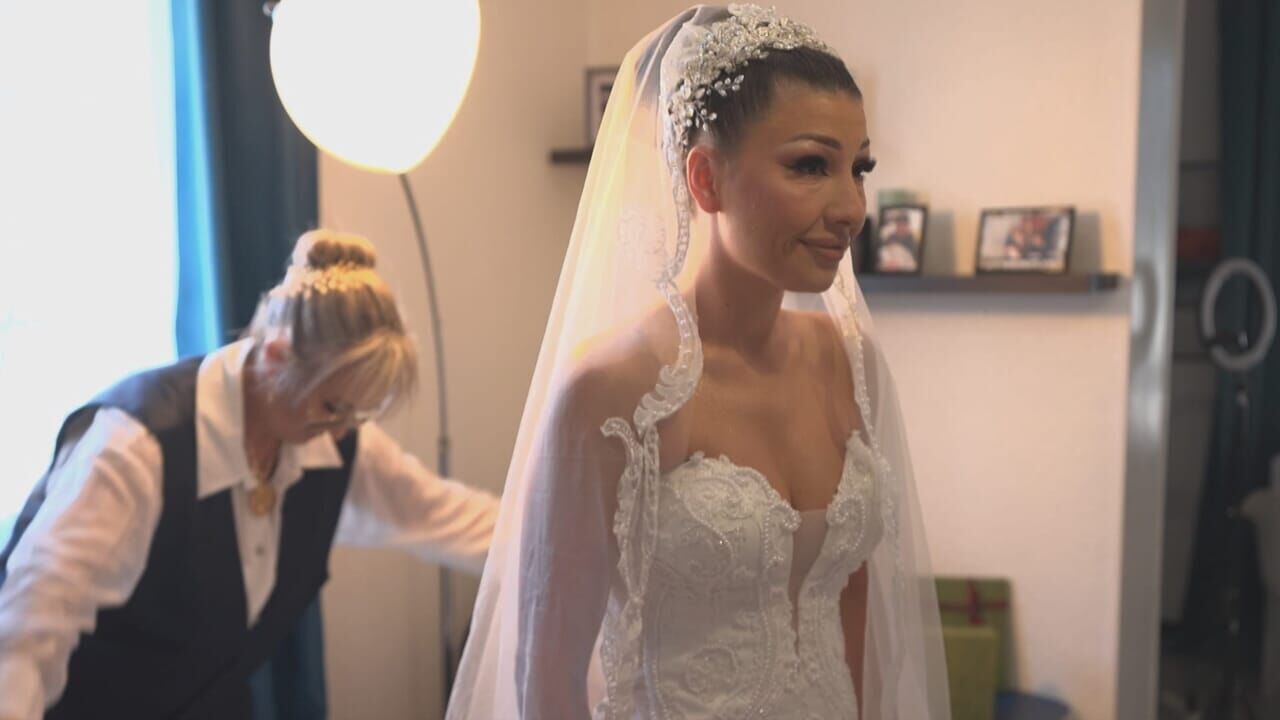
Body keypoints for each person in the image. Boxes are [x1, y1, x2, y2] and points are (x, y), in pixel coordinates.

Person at [447, 5, 950, 719]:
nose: (850, 207)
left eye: (858, 168)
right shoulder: (612, 392)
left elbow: (858, 603)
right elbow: (547, 680)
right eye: (811, 165)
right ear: (706, 179)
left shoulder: (848, 361)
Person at [0, 230, 500, 719]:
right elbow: (28, 626)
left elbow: (451, 519)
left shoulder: (333, 438)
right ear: (276, 356)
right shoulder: (135, 446)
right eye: (333, 407)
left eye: (358, 414)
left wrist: (546, 546)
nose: (342, 432)